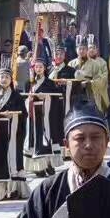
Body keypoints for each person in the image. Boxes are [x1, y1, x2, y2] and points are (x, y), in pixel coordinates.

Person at [0, 55, 30, 201]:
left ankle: (14, 189)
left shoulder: (16, 97)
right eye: (1, 77)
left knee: (12, 160)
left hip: (12, 134)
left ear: (11, 79)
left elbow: (24, 114)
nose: (4, 79)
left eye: (6, 77)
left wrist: (13, 116)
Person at [25, 42, 65, 175]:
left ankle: (49, 164)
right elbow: (26, 99)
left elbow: (57, 98)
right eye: (36, 67)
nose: (39, 69)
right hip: (34, 117)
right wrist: (30, 98)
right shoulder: (30, 83)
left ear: (44, 68)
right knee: (36, 140)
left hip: (47, 116)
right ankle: (38, 167)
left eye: (41, 67)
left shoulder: (50, 83)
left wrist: (46, 97)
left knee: (47, 139)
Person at [72, 36, 110, 116]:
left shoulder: (95, 64)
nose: (81, 51)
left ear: (87, 50)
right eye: (80, 49)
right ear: (76, 50)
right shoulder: (71, 64)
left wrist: (89, 83)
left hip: (90, 94)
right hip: (75, 95)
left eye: (84, 49)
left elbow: (101, 79)